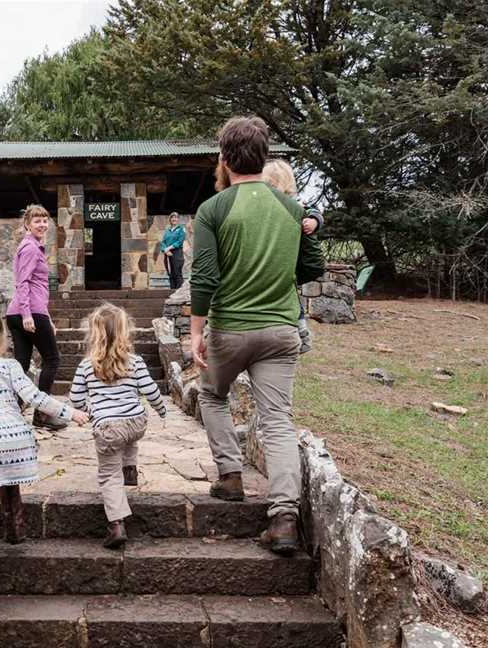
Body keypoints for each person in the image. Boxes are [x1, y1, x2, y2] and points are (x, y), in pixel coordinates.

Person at [191, 116, 326, 555]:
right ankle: (284, 518)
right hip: (281, 331)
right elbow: (312, 269)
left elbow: (205, 276)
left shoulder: (214, 208)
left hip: (230, 329)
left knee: (211, 394)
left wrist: (197, 330)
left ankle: (230, 476)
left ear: (225, 159)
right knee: (278, 421)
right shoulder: (291, 209)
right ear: (264, 158)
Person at [0, 306, 89, 612]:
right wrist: (71, 412)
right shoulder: (11, 368)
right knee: (7, 468)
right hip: (13, 439)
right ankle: (16, 527)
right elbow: (36, 397)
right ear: (2, 338)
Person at [69, 304, 167, 550]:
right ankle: (130, 467)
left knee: (109, 477)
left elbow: (75, 399)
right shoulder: (135, 361)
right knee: (129, 430)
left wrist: (88, 409)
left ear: (94, 333)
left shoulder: (86, 366)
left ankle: (116, 524)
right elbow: (150, 390)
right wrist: (161, 409)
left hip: (108, 428)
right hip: (136, 422)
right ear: (125, 332)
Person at [6, 204, 64, 431]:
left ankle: (11, 412)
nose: (42, 224)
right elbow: (23, 283)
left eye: (45, 220)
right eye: (37, 221)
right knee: (52, 359)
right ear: (27, 224)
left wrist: (46, 317)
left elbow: (37, 288)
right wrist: (29, 315)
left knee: (21, 365)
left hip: (19, 312)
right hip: (28, 312)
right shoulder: (30, 248)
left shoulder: (31, 246)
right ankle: (43, 415)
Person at [262, 159, 325, 353]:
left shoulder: (298, 208)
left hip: (275, 267)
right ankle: (299, 325)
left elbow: (314, 212)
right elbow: (314, 264)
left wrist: (315, 221)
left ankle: (299, 324)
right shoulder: (293, 208)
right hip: (284, 271)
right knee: (289, 292)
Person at [160, 212, 186, 289]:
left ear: (178, 219)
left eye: (176, 217)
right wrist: (165, 250)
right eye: (172, 217)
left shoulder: (181, 229)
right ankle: (172, 291)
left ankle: (179, 293)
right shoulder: (167, 231)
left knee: (177, 273)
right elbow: (163, 242)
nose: (174, 219)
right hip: (168, 253)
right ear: (170, 219)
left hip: (177, 253)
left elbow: (180, 241)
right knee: (171, 274)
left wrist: (169, 247)